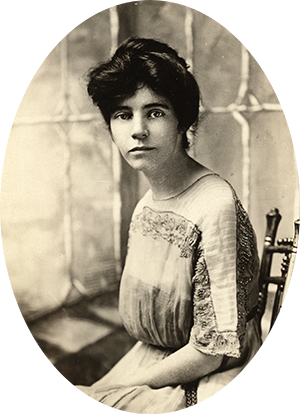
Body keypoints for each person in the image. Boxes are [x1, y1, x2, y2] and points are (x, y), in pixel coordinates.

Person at [77, 37, 261, 413]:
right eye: (123, 115)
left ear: (183, 120)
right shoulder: (148, 204)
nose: (138, 130)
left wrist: (123, 386)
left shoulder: (214, 206)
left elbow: (211, 351)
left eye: (155, 112)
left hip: (206, 368)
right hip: (153, 356)